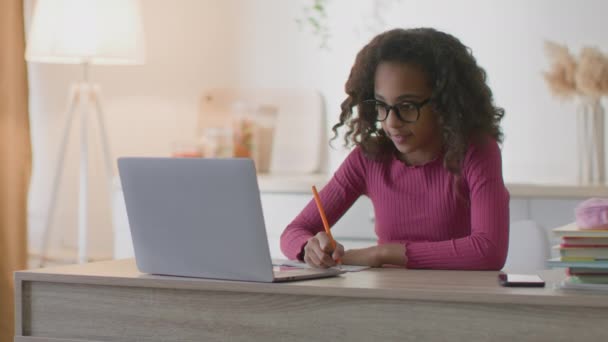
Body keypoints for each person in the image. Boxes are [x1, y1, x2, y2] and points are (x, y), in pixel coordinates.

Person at [280, 28, 509, 270]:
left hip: (459, 301)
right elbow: (293, 233)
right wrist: (310, 248)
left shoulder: (476, 151)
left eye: (407, 106)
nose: (391, 122)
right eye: (381, 105)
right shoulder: (369, 159)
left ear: (445, 103)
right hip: (388, 302)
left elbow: (489, 251)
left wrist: (383, 254)